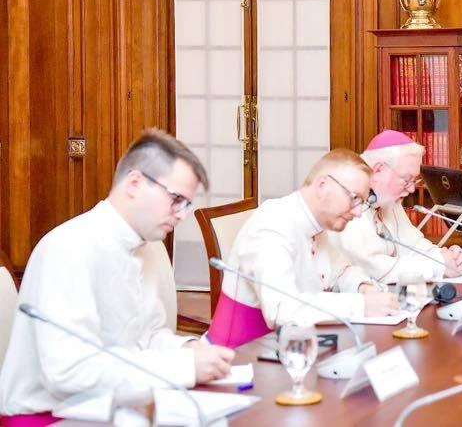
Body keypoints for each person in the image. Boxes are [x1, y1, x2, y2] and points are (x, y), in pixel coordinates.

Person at [0, 129, 235, 425]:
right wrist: (183, 367)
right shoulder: (70, 248)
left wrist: (188, 349)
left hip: (113, 403)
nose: (181, 215)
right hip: (47, 414)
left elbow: (147, 336)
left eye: (186, 204)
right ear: (135, 183)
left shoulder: (148, 246)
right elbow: (69, 372)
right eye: (176, 199)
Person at [206, 149, 400, 349]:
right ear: (323, 186)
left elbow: (341, 270)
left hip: (294, 347)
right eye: (354, 198)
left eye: (363, 201)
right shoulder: (273, 226)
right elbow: (282, 311)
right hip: (240, 357)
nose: (359, 212)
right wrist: (362, 305)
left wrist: (363, 288)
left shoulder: (317, 221)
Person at [326, 130, 462, 285]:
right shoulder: (345, 199)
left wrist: (447, 257)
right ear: (378, 170)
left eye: (414, 181)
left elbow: (414, 245)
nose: (412, 189)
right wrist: (438, 265)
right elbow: (373, 268)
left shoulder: (385, 198)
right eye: (406, 180)